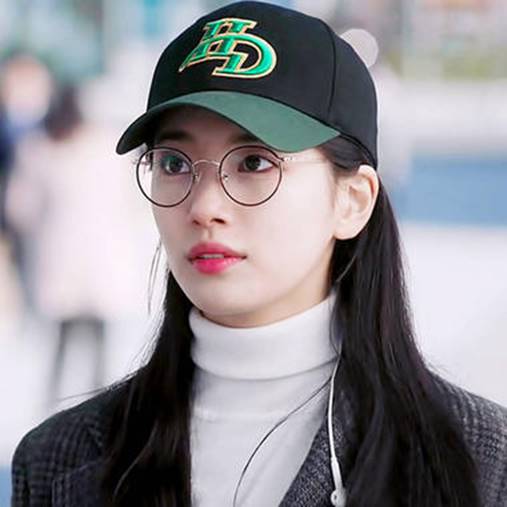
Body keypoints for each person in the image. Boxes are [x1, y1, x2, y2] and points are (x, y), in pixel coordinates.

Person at [10, 2, 506, 506]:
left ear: (353, 200)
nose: (204, 207)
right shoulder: (58, 463)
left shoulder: (478, 462)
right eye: (174, 163)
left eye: (253, 162)